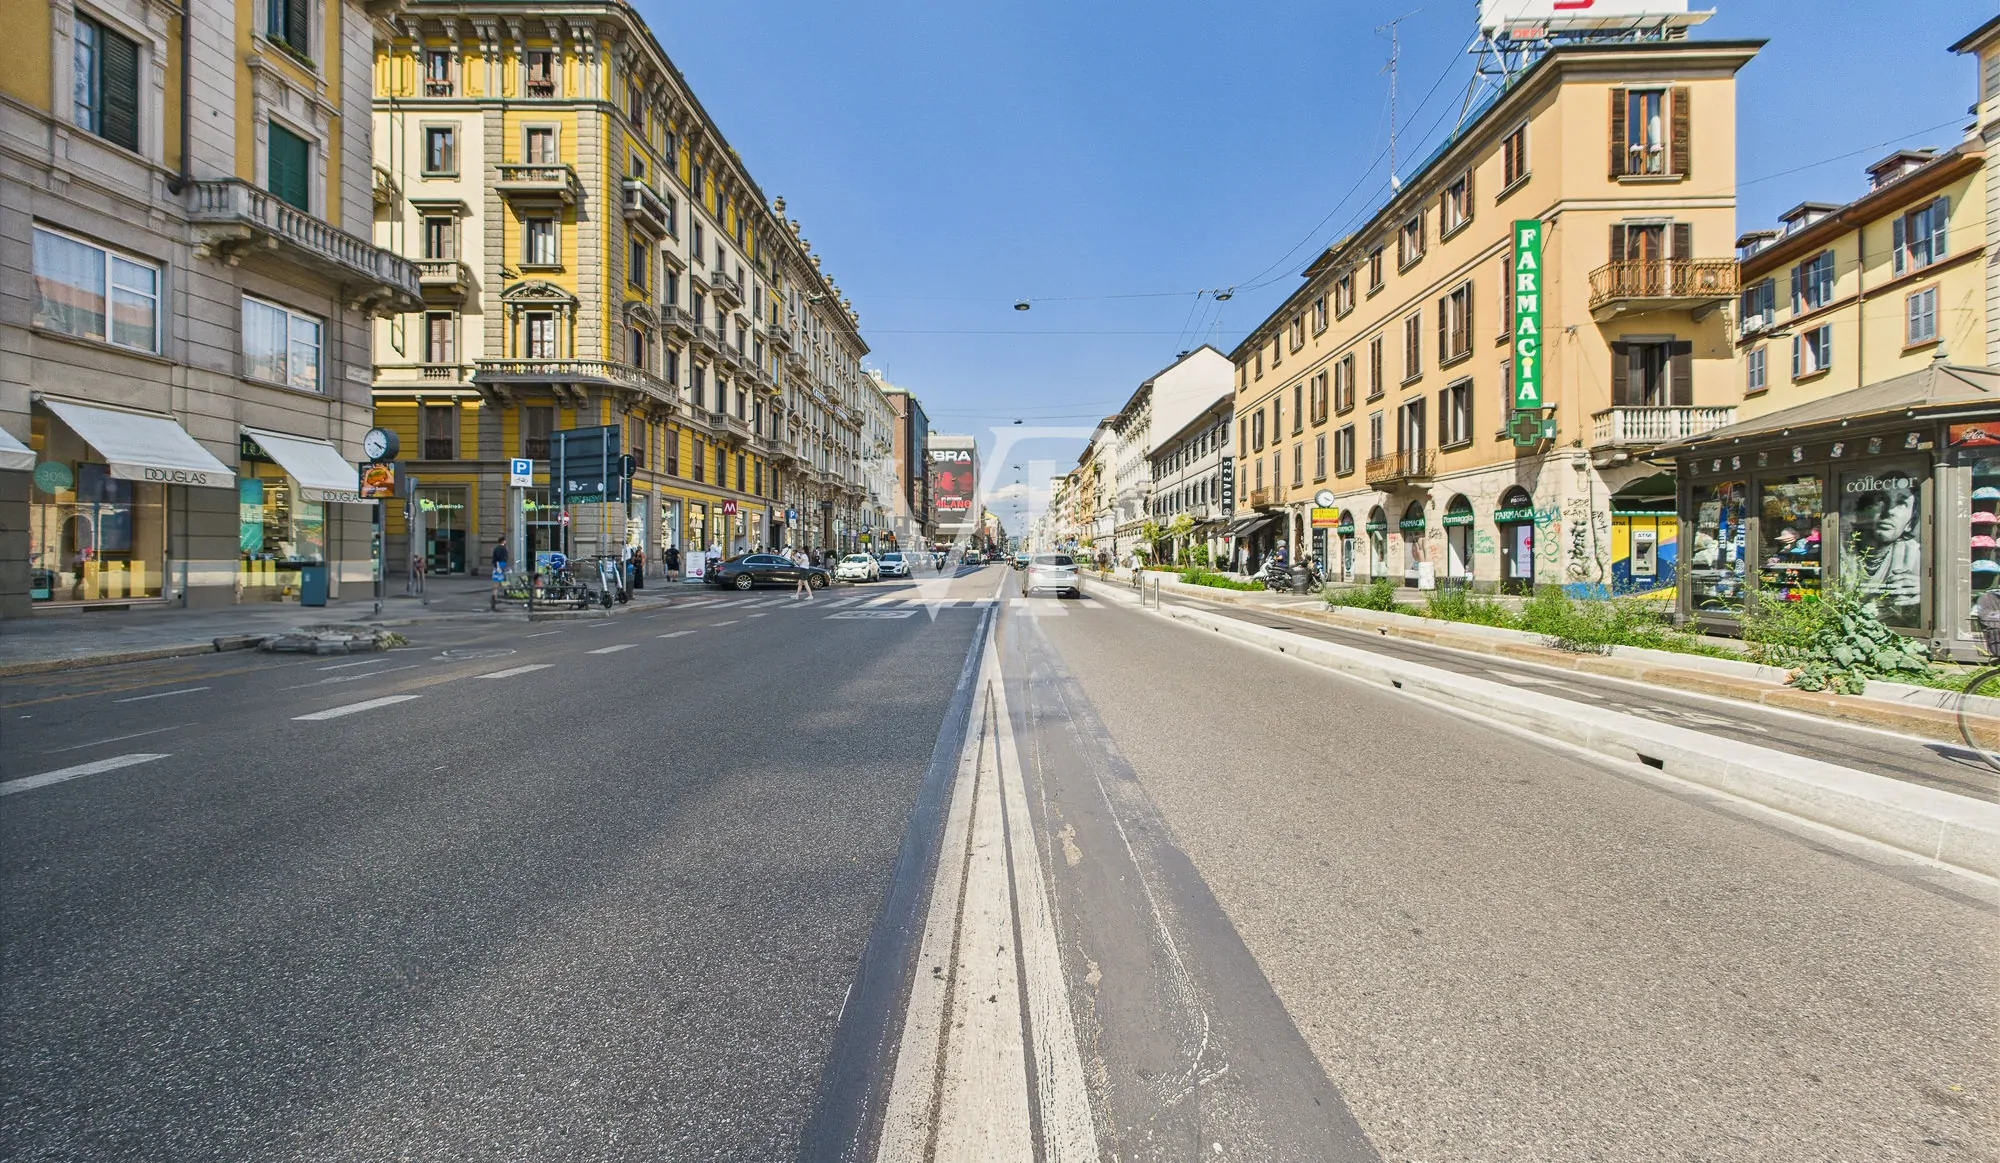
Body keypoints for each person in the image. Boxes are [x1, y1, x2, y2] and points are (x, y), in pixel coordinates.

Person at [1841, 474, 1922, 626]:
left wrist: (1925, 594)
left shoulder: (1913, 555)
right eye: (1881, 500)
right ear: (1862, 512)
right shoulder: (1841, 548)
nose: (1889, 511)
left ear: (1910, 523)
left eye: (1901, 503)